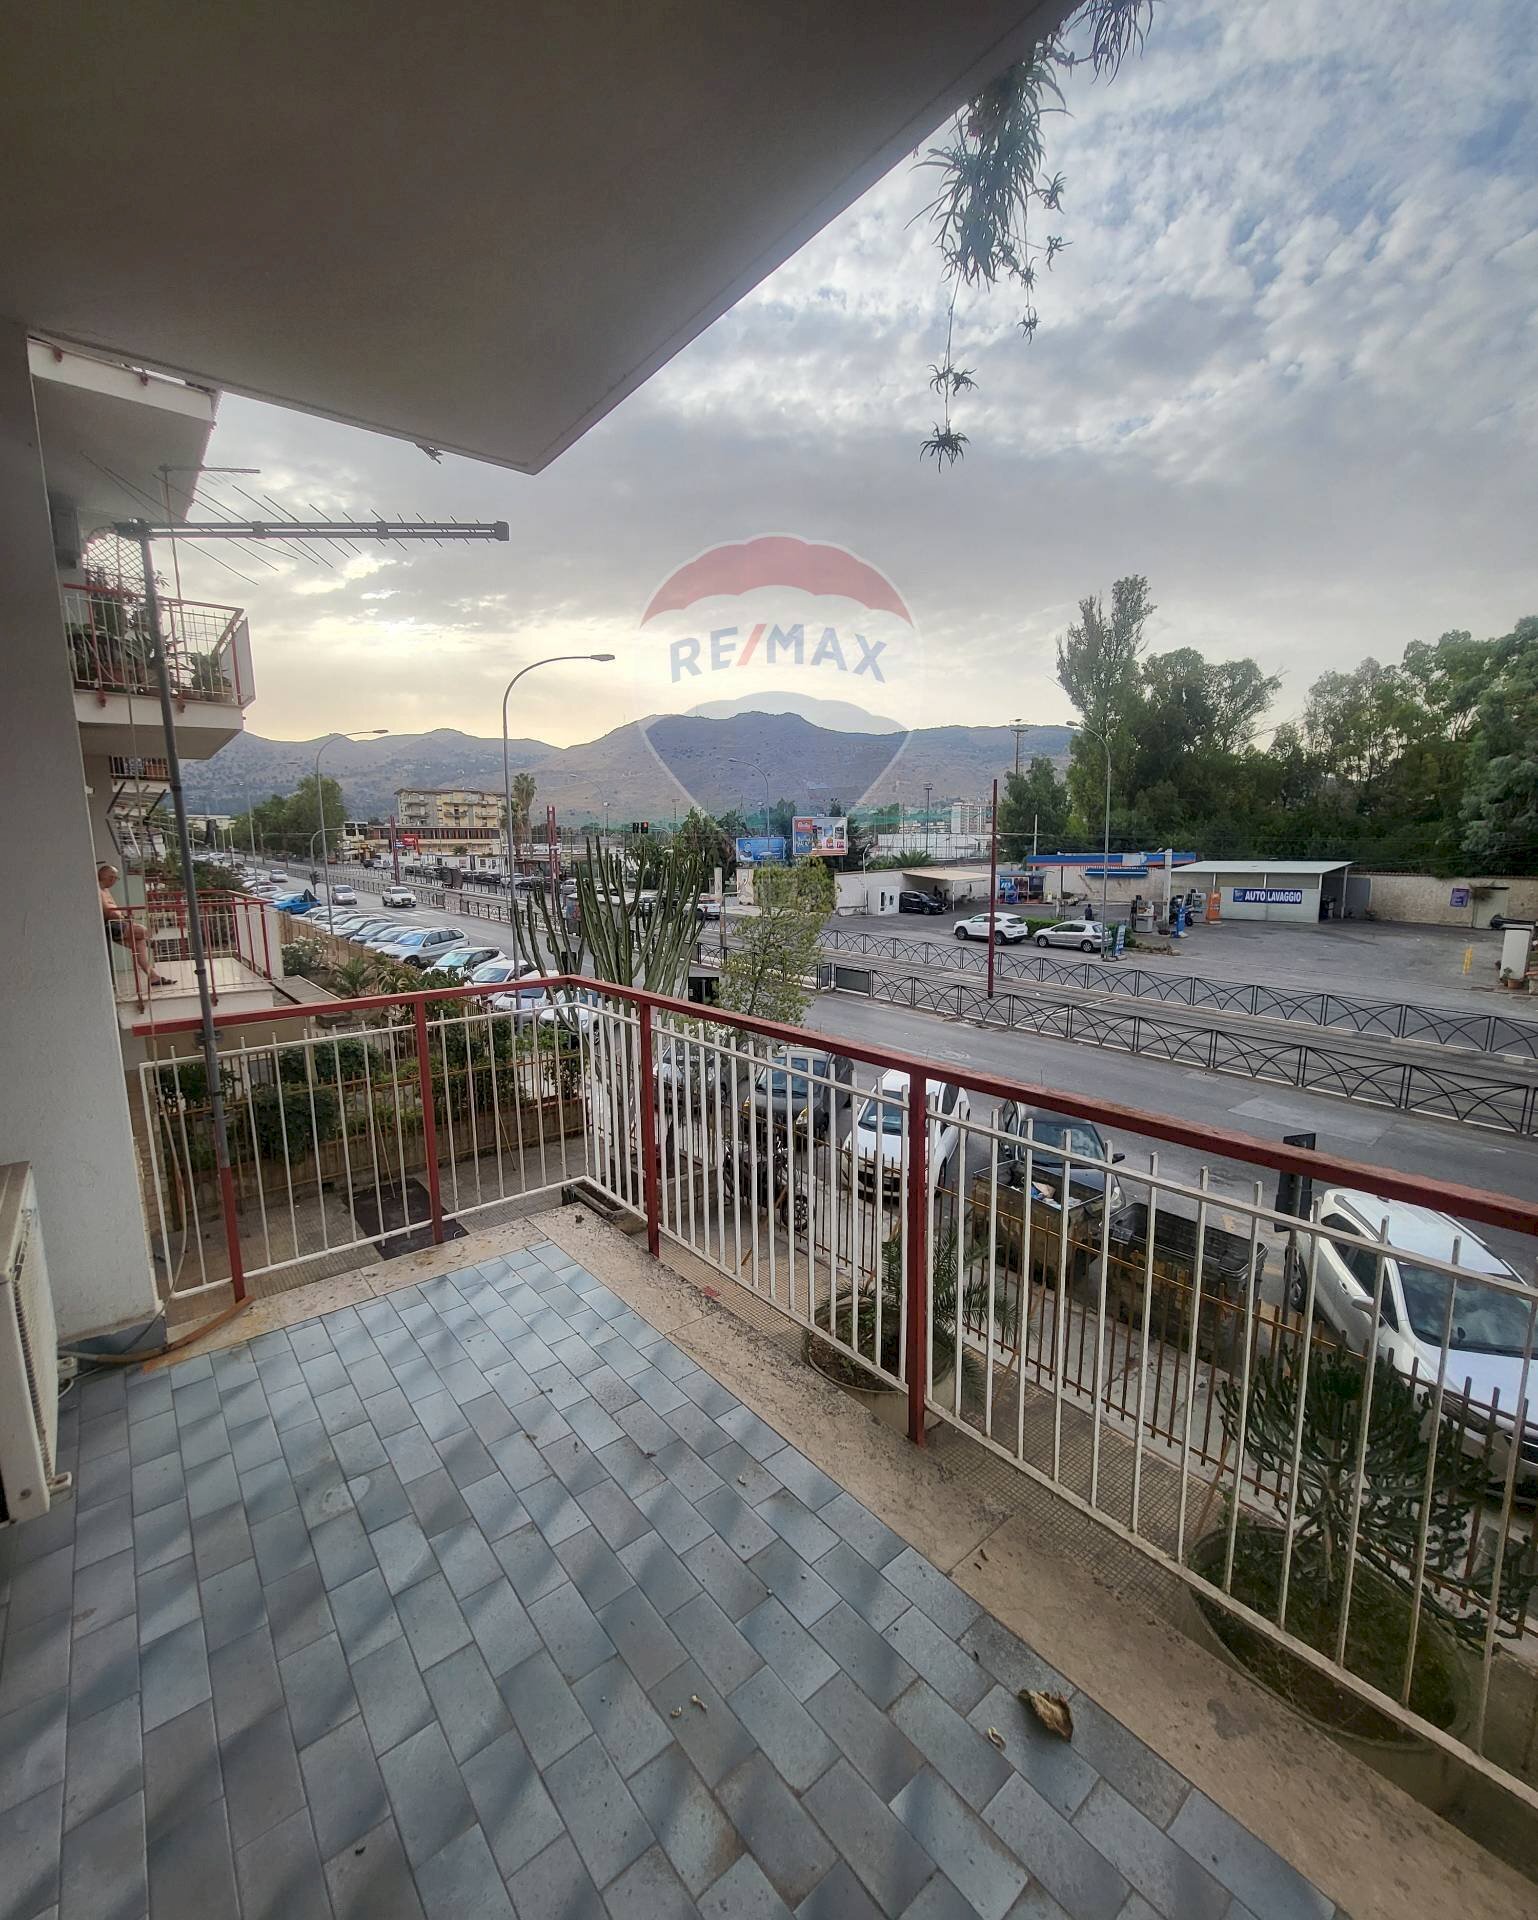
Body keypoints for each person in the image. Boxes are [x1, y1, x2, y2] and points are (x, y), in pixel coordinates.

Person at [98, 863, 175, 986]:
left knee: (139, 945)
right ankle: (150, 941)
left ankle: (153, 977)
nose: (115, 881)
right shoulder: (98, 890)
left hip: (117, 924)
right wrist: (120, 915)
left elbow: (113, 909)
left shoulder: (105, 890)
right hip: (110, 926)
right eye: (115, 878)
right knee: (141, 930)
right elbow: (109, 912)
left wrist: (122, 915)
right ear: (109, 877)